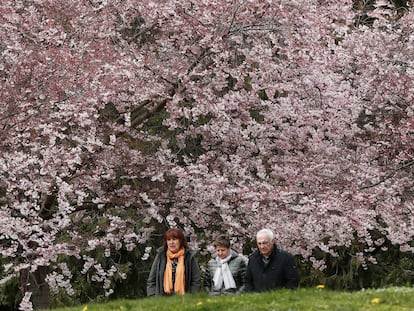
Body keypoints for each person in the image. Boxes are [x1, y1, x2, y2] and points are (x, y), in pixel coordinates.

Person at [146, 228, 201, 296]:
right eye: (169, 240)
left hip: (184, 300)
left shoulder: (189, 256)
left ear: (180, 241)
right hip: (162, 300)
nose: (171, 242)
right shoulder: (161, 255)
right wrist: (152, 296)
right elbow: (151, 280)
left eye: (174, 239)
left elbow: (196, 280)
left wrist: (192, 297)